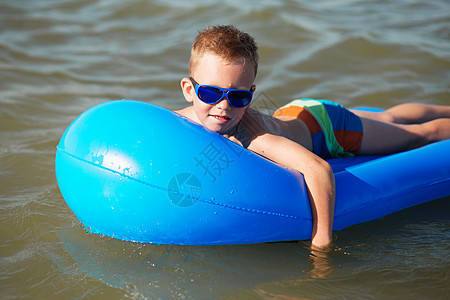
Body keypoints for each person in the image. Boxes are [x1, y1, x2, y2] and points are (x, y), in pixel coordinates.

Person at [175, 25, 450, 248]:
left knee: (419, 134)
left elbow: (319, 170)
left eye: (238, 96)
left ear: (251, 94)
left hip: (329, 130)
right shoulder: (185, 115)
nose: (223, 105)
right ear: (190, 89)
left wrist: (321, 244)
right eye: (210, 93)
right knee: (389, 117)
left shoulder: (256, 138)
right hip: (294, 113)